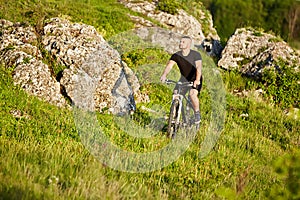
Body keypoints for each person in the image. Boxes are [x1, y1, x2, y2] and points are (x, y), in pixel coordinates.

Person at [160, 36, 202, 124]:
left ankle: (197, 113)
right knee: (176, 94)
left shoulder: (196, 54)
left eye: (183, 42)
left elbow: (199, 67)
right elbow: (169, 66)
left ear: (189, 44)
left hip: (195, 78)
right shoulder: (176, 55)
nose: (180, 43)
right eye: (180, 42)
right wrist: (164, 75)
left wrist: (197, 80)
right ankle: (174, 116)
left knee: (192, 94)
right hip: (183, 79)